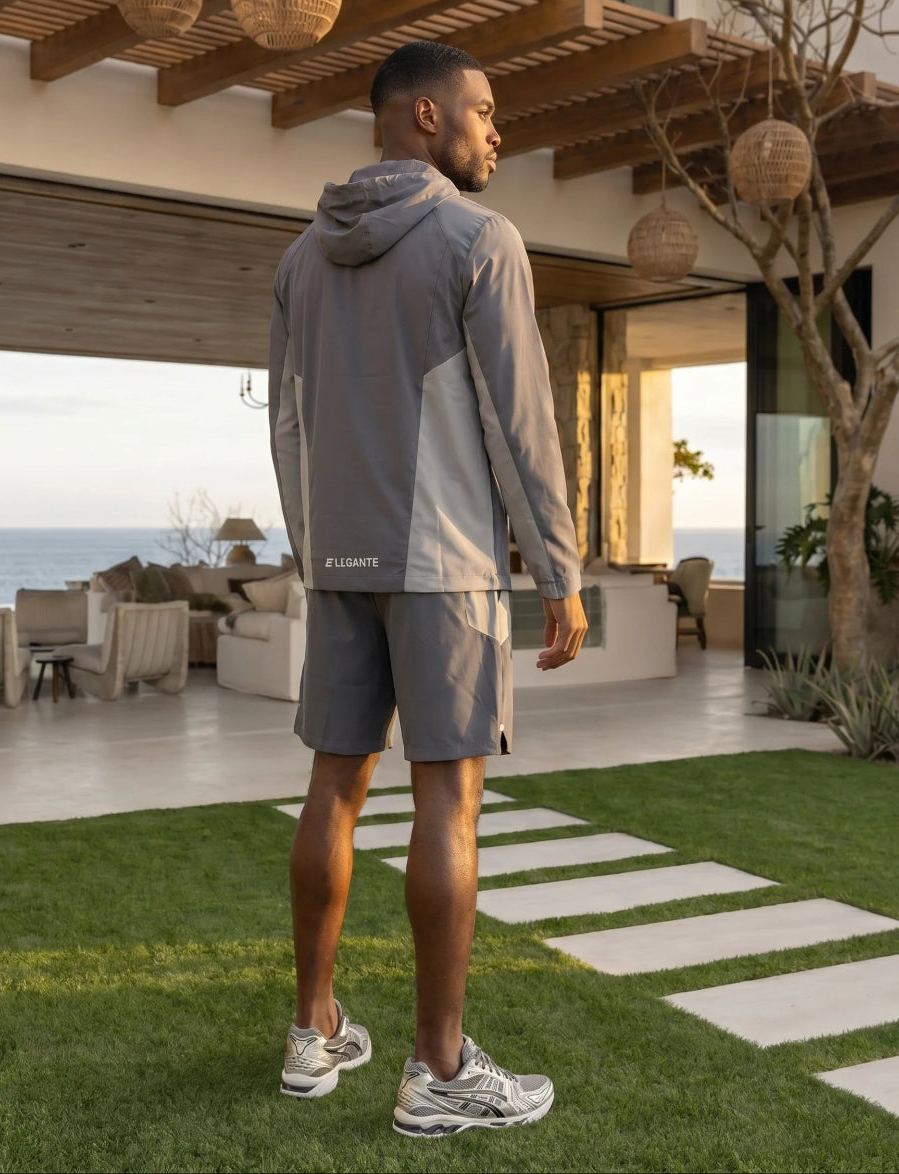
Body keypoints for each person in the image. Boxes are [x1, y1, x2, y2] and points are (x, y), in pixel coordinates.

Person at [268, 39, 588, 1137]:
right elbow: (521, 419)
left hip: (343, 560)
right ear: (420, 118)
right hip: (443, 564)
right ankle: (437, 1067)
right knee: (447, 800)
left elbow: (290, 422)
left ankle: (315, 1032)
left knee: (334, 788)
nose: (495, 131)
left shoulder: (300, 260)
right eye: (483, 110)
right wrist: (560, 565)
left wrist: (316, 553)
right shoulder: (477, 238)